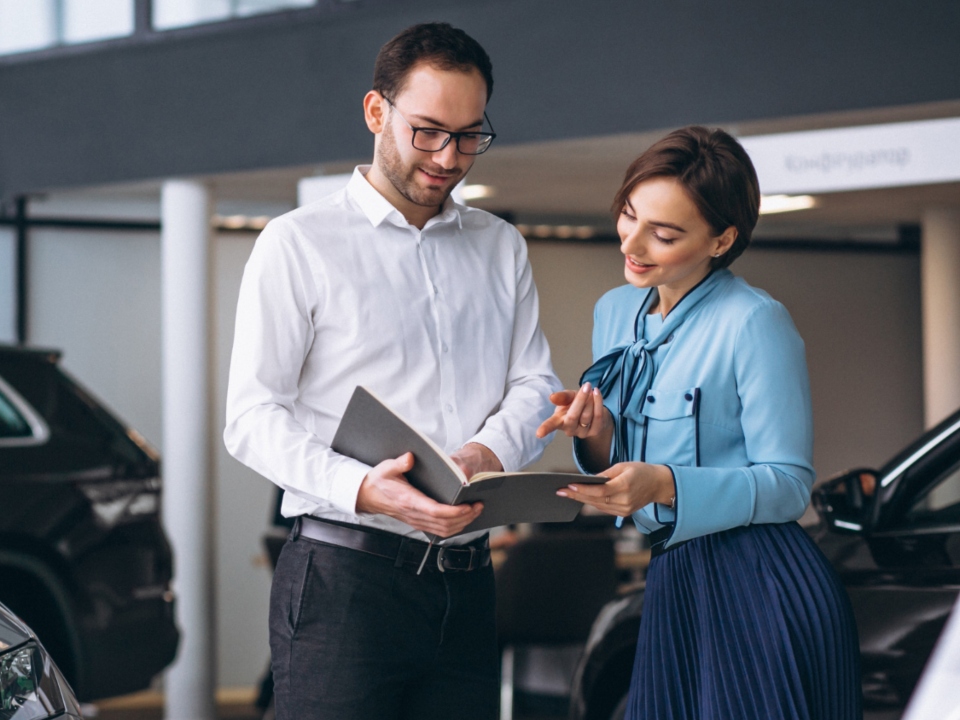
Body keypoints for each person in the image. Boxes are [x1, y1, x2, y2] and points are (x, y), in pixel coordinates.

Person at [224, 22, 560, 720]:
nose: (449, 156)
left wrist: (485, 451)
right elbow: (252, 419)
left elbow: (534, 383)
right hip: (343, 582)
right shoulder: (297, 244)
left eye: (470, 135)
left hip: (467, 585)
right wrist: (366, 490)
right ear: (377, 112)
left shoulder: (501, 246)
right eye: (428, 130)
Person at [539, 126, 861, 719]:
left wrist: (664, 483)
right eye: (628, 216)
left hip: (759, 578)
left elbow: (789, 485)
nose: (632, 244)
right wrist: (596, 435)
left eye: (663, 234)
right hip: (674, 574)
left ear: (722, 239)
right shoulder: (614, 312)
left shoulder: (754, 322)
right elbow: (626, 457)